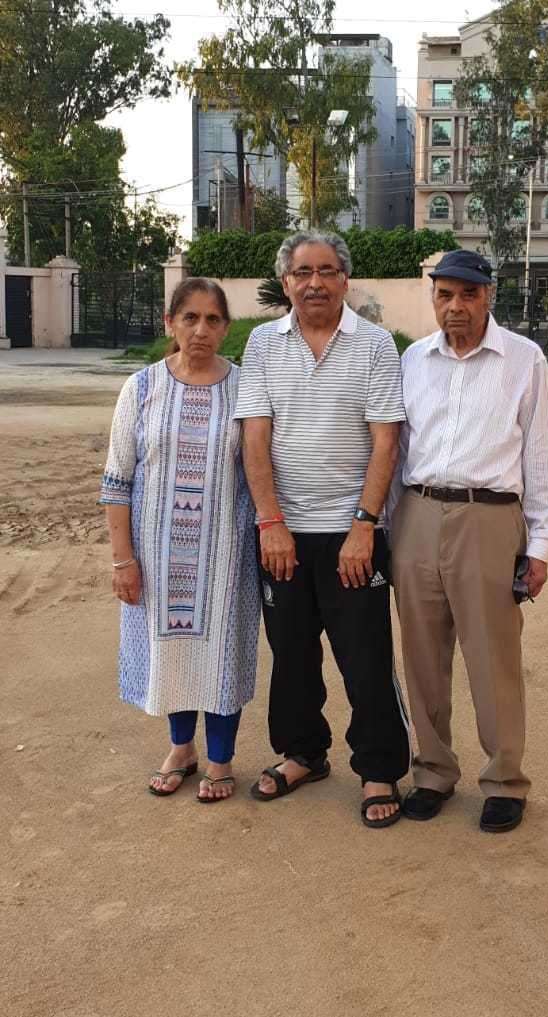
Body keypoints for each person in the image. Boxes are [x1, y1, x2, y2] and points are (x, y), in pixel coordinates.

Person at [234, 230, 410, 829]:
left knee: (365, 655)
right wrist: (270, 522)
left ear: (344, 279)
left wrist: (363, 527)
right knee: (291, 655)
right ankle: (303, 752)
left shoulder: (376, 345)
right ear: (286, 282)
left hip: (352, 530)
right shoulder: (262, 344)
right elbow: (254, 437)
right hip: (283, 532)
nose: (315, 282)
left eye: (328, 271)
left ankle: (380, 766)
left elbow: (386, 440)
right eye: (303, 272)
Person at [389, 249, 548, 833]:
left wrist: (539, 544)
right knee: (422, 655)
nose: (455, 306)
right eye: (444, 295)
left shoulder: (523, 360)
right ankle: (433, 771)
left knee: (493, 656)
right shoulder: (412, 360)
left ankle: (504, 780)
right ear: (433, 298)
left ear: (488, 295)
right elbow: (396, 451)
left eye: (467, 294)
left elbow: (539, 455)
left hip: (489, 519)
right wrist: (387, 527)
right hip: (417, 513)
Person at [100, 278, 259, 803]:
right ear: (169, 323)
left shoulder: (245, 388)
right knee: (171, 651)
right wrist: (123, 560)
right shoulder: (142, 388)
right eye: (189, 318)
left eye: (212, 319)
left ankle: (220, 758)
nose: (200, 330)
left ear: (226, 329)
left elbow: (261, 470)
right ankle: (180, 748)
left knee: (221, 653)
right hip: (157, 555)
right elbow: (117, 480)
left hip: (225, 558)